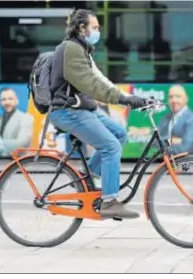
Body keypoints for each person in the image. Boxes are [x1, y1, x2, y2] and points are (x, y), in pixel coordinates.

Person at [48, 9, 149, 219]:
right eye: (94, 28)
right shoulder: (71, 49)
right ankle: (109, 201)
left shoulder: (83, 49)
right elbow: (92, 85)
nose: (97, 32)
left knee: (119, 134)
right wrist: (124, 100)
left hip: (82, 108)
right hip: (67, 110)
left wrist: (130, 98)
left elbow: (101, 79)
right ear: (81, 28)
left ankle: (87, 179)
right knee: (111, 146)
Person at [0, 87, 34, 157]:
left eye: (10, 99)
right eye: (3, 99)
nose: (7, 102)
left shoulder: (26, 119)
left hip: (16, 163)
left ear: (17, 101)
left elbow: (22, 143)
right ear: (0, 103)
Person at [157, 85, 193, 154]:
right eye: (170, 97)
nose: (174, 100)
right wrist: (171, 140)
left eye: (178, 96)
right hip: (166, 162)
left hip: (185, 163)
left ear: (186, 99)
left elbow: (186, 148)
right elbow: (154, 142)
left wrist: (162, 143)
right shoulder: (165, 118)